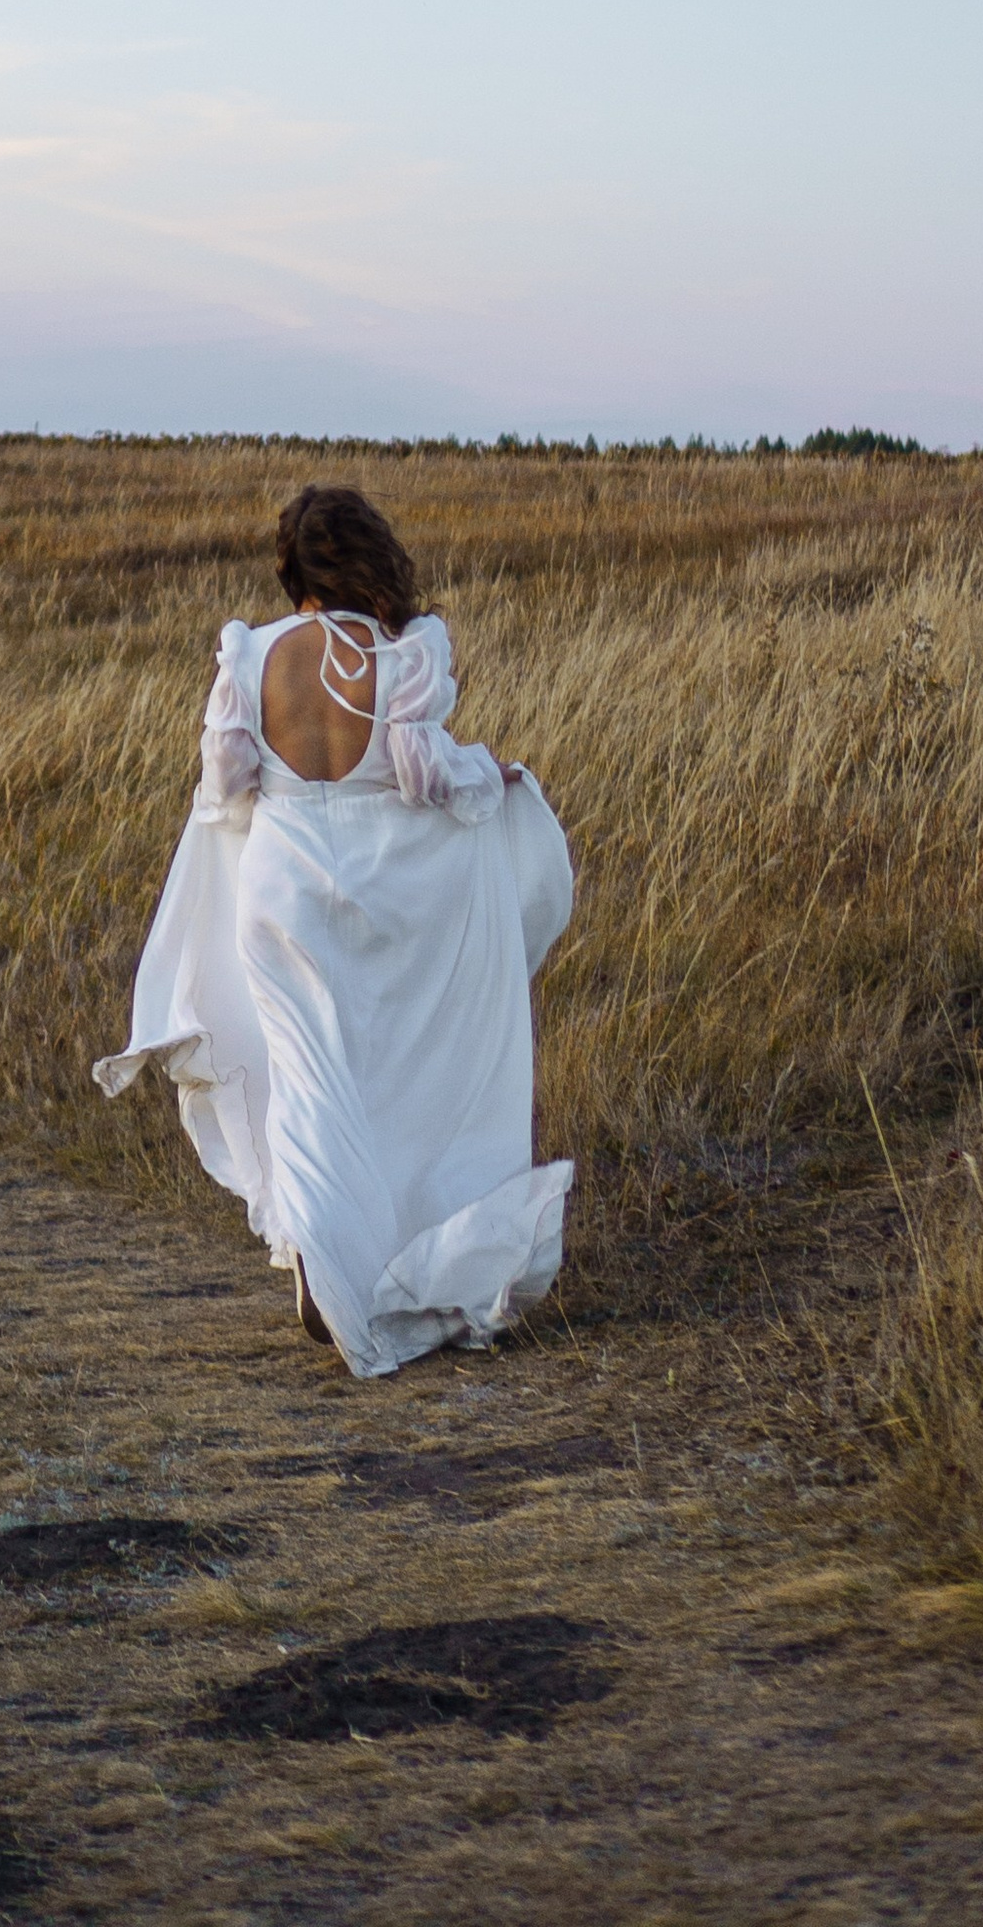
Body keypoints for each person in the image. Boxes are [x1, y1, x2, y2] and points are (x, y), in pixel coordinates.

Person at [95, 482, 574, 1373]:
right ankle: (384, 1257)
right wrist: (491, 778)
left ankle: (322, 1266)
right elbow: (424, 777)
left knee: (309, 1079)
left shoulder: (250, 653)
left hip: (281, 885)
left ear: (292, 571)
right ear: (373, 557)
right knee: (394, 1077)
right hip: (388, 884)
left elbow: (224, 781)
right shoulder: (403, 654)